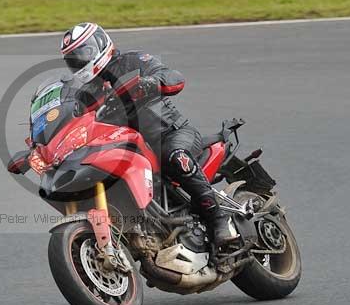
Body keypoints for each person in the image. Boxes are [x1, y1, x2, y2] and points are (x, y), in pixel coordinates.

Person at [60, 22, 236, 247]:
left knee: (175, 156)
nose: (80, 62)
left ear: (100, 44)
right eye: (73, 59)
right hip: (126, 147)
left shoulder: (133, 61)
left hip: (169, 133)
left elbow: (173, 76)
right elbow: (75, 121)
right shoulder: (85, 92)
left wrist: (150, 83)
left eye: (83, 53)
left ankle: (218, 219)